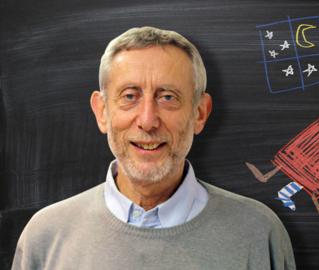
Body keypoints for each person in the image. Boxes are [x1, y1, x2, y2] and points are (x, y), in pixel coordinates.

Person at [12, 26, 296, 270]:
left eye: (168, 97)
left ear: (199, 113)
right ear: (102, 112)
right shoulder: (45, 236)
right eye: (130, 96)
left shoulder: (260, 233)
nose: (148, 121)